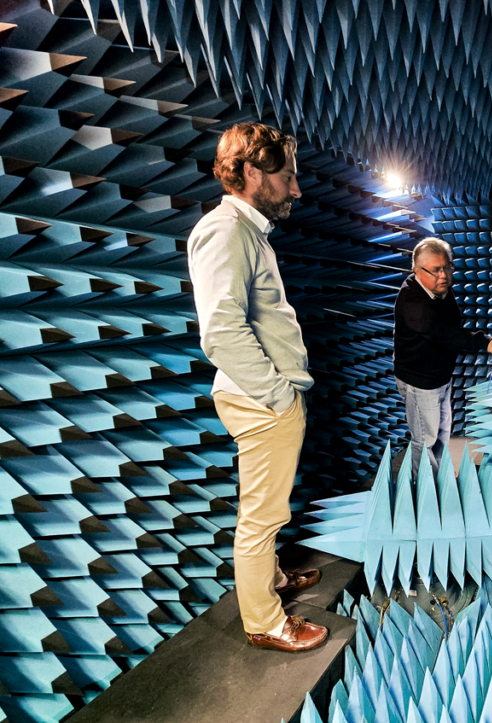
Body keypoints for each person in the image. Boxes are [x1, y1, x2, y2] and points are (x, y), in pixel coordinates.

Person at [188, 122, 327, 652]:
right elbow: (221, 331)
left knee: (267, 508)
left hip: (264, 396)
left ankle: (270, 580)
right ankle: (266, 622)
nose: (296, 189)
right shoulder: (226, 231)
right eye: (286, 177)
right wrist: (279, 396)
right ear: (250, 172)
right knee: (262, 516)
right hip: (261, 399)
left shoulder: (248, 231)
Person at [393, 237, 492, 476]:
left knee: (441, 436)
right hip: (421, 382)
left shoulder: (440, 289)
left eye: (447, 267)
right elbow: (447, 334)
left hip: (440, 378)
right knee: (425, 441)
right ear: (417, 271)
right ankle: (421, 494)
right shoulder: (414, 303)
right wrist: (488, 343)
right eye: (435, 270)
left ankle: (436, 481)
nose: (443, 276)